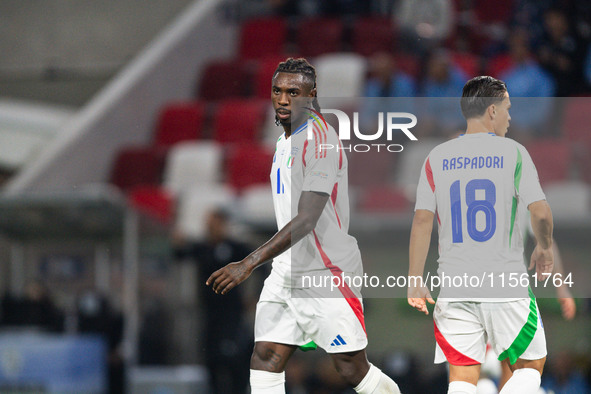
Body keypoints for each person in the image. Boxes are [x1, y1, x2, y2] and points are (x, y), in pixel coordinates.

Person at [207, 58, 400, 394]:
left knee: (350, 367)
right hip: (287, 270)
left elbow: (308, 218)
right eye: (277, 91)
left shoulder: (321, 142)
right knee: (266, 356)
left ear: (311, 95)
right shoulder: (285, 143)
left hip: (325, 271)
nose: (283, 99)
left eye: (293, 92)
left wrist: (249, 263)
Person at [408, 76, 554, 394]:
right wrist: (544, 247)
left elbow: (422, 220)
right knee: (530, 368)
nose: (509, 117)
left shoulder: (436, 158)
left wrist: (414, 277)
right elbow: (540, 211)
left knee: (462, 381)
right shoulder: (513, 153)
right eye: (506, 109)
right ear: (491, 111)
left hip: (454, 285)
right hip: (504, 281)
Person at [174, 208, 254, 394]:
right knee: (212, 362)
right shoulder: (201, 248)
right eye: (209, 224)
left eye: (215, 224)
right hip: (210, 315)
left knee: (235, 361)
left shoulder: (236, 248)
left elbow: (260, 263)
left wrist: (255, 294)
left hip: (233, 316)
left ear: (223, 225)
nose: (211, 228)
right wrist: (177, 242)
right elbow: (179, 255)